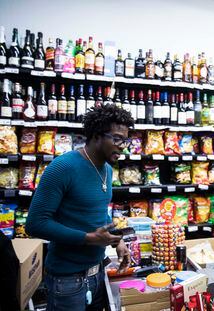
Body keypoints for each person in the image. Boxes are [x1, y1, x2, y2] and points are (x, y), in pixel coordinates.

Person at [26, 105, 135, 311]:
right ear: (96, 136)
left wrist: (116, 240)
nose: (123, 146)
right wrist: (88, 238)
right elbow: (35, 224)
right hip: (66, 280)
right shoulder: (63, 167)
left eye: (126, 140)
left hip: (97, 274)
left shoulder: (108, 170)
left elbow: (97, 212)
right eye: (118, 139)